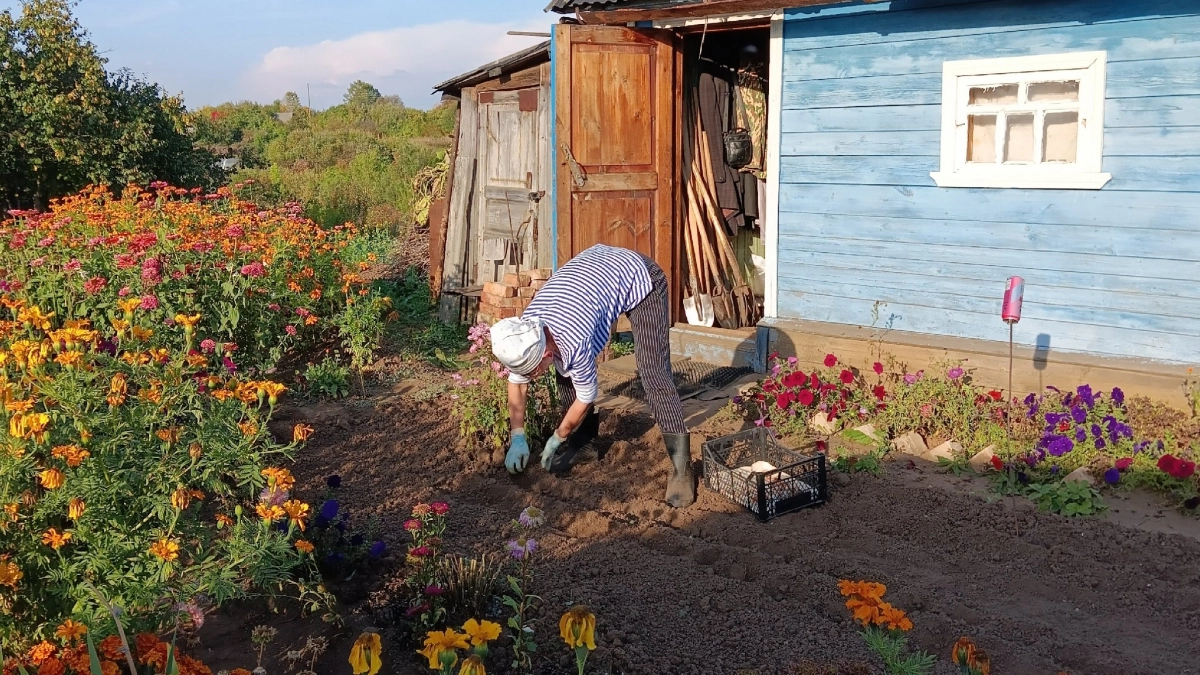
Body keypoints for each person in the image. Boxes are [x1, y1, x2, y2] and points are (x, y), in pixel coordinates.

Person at [489, 243, 694, 508]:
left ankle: (682, 468)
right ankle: (584, 447)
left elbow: (587, 394)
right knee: (566, 373)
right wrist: (517, 436)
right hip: (595, 273)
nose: (533, 377)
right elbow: (517, 383)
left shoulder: (575, 341)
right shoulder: (526, 329)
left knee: (653, 373)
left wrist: (558, 435)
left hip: (642, 278)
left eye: (534, 372)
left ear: (544, 355)